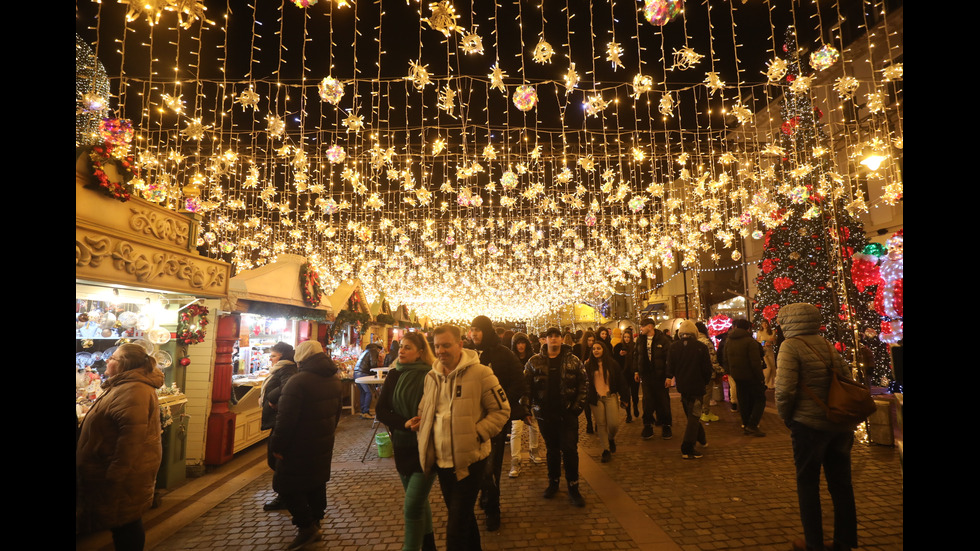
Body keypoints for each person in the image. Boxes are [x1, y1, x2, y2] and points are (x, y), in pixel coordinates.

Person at [416, 325, 510, 551]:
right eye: (437, 346)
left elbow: (501, 411)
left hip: (470, 461)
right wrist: (422, 421)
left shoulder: (481, 374)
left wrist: (477, 433)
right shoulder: (432, 377)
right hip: (442, 461)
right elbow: (425, 409)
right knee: (464, 518)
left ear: (460, 344)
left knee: (455, 530)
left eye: (446, 345)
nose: (440, 351)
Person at [775, 303, 858, 551]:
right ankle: (844, 541)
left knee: (808, 484)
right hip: (838, 424)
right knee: (841, 484)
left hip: (809, 425)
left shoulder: (790, 346)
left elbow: (784, 390)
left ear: (788, 322)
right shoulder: (826, 344)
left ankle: (814, 543)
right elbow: (847, 378)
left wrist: (786, 417)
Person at [77, 343, 165, 551]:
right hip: (116, 470)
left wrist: (115, 476)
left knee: (125, 523)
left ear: (123, 364)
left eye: (113, 358)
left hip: (121, 474)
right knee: (125, 522)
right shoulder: (124, 386)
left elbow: (130, 442)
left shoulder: (133, 390)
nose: (108, 361)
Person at [270, 340, 343, 550]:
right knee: (316, 482)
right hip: (322, 441)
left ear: (300, 357)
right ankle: (315, 522)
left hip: (298, 445)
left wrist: (278, 447)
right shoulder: (334, 378)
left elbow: (285, 419)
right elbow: (336, 414)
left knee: (285, 485)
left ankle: (306, 527)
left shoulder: (298, 382)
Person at [375, 332, 438, 551]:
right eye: (401, 346)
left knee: (411, 507)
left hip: (426, 447)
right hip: (402, 446)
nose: (401, 350)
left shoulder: (432, 375)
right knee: (419, 502)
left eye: (408, 347)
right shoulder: (394, 375)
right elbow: (381, 411)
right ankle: (430, 546)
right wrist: (404, 423)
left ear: (421, 352)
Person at [469, 315, 528, 532]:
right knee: (476, 465)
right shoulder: (468, 354)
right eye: (471, 329)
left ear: (486, 330)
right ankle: (486, 494)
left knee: (490, 466)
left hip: (494, 420)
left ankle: (493, 508)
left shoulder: (503, 353)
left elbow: (520, 382)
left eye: (478, 329)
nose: (473, 333)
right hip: (470, 419)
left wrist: (501, 403)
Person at [522, 327, 588, 507]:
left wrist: (576, 408)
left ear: (561, 339)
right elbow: (526, 387)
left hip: (567, 414)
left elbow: (583, 385)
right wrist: (527, 409)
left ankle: (573, 487)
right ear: (545, 340)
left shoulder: (573, 361)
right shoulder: (534, 362)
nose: (553, 339)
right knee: (551, 450)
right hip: (545, 414)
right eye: (550, 336)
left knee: (569, 450)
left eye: (556, 336)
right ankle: (553, 482)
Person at [664, 321, 714, 459]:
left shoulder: (674, 347)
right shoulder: (700, 347)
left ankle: (702, 438)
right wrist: (704, 382)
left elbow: (670, 366)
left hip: (683, 386)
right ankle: (687, 447)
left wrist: (670, 377)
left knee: (692, 414)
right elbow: (707, 369)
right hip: (697, 386)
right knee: (694, 416)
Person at [259, 342, 298, 511]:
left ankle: (286, 496)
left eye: (273, 355)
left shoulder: (287, 369)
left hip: (279, 418)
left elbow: (286, 386)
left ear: (281, 357)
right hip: (277, 418)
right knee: (276, 459)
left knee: (276, 458)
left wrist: (272, 398)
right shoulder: (284, 368)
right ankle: (285, 494)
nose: (271, 359)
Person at [583, 341, 628, 463]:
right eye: (594, 349)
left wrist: (625, 397)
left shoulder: (612, 364)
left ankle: (610, 438)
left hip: (610, 396)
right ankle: (606, 450)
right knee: (601, 424)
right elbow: (584, 383)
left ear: (603, 350)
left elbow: (620, 381)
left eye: (598, 348)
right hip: (596, 399)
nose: (596, 351)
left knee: (613, 424)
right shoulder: (588, 365)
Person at [724, 319, 767, 436]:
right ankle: (752, 425)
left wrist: (731, 372)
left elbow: (725, 359)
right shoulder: (750, 342)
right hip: (751, 376)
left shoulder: (729, 341)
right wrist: (760, 377)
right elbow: (755, 363)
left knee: (743, 401)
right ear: (748, 328)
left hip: (737, 376)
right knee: (760, 399)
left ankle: (746, 424)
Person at [633, 318, 673, 440]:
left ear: (650, 327)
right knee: (647, 401)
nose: (641, 328)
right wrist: (636, 370)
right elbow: (636, 356)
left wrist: (669, 376)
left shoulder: (663, 340)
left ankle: (666, 424)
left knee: (663, 401)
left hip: (660, 376)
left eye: (643, 326)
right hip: (646, 375)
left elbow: (669, 359)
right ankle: (648, 424)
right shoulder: (640, 340)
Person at [509, 331, 542, 477]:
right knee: (516, 429)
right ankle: (515, 460)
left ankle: (533, 450)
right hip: (516, 399)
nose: (520, 346)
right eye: (518, 343)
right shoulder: (510, 359)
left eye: (523, 343)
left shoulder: (533, 359)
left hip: (532, 397)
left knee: (534, 426)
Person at [695, 322, 724, 423]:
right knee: (707, 393)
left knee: (699, 393)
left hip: (696, 373)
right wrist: (719, 370)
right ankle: (706, 412)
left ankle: (699, 412)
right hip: (707, 372)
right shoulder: (706, 342)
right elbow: (712, 359)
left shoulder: (694, 341)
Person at [613, 329, 639, 423]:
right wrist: (620, 355)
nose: (626, 339)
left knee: (635, 394)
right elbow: (615, 360)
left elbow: (637, 359)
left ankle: (635, 406)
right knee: (626, 395)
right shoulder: (618, 347)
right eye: (625, 337)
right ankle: (628, 415)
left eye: (628, 337)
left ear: (631, 337)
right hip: (623, 375)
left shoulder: (635, 346)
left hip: (633, 373)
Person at [355, 342, 383, 419]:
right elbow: (373, 364)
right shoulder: (374, 351)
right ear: (378, 348)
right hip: (363, 373)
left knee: (363, 392)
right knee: (369, 392)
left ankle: (363, 412)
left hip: (356, 373)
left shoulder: (366, 351)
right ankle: (366, 412)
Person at [576, 330, 596, 433]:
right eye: (589, 340)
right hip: (583, 378)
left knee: (596, 402)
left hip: (594, 378)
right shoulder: (579, 349)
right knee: (587, 403)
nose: (591, 342)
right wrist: (584, 363)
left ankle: (597, 422)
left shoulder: (595, 349)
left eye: (592, 340)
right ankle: (589, 423)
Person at [758, 319, 778, 388]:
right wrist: (763, 343)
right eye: (763, 323)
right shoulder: (760, 332)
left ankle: (771, 384)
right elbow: (758, 341)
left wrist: (771, 342)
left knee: (772, 367)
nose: (764, 325)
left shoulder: (772, 332)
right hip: (763, 351)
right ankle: (765, 382)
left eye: (766, 323)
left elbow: (774, 342)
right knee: (768, 368)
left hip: (770, 351)